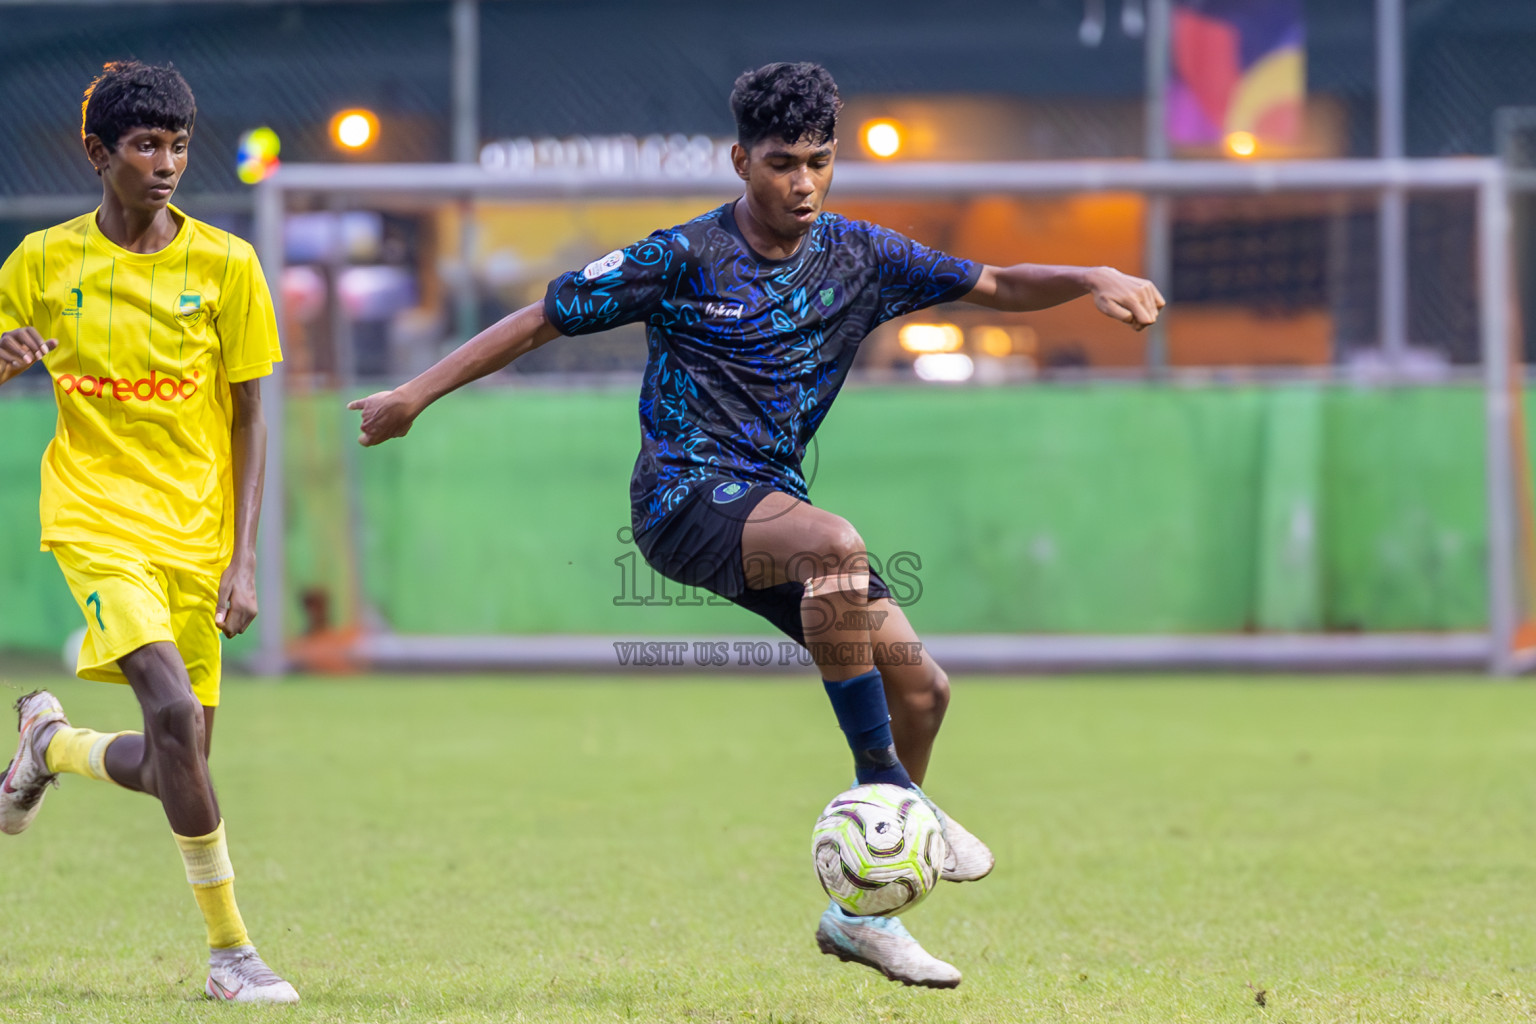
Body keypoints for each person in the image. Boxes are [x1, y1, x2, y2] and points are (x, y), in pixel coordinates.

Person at [350, 61, 1164, 988]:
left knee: (926, 693)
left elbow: (999, 284)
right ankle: (893, 795)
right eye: (783, 163)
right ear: (741, 160)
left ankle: (863, 913)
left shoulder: (861, 256)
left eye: (820, 161)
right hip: (683, 501)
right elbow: (543, 317)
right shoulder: (683, 257)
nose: (804, 182)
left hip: (770, 505)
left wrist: (1091, 272)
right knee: (835, 544)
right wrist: (416, 394)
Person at [0, 61, 297, 1004]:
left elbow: (251, 415)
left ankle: (52, 747)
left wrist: (243, 558)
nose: (166, 163)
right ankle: (231, 955)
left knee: (182, 764)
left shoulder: (226, 265)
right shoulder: (42, 263)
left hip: (198, 537)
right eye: (144, 145)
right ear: (99, 153)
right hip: (94, 520)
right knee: (169, 713)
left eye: (177, 146)